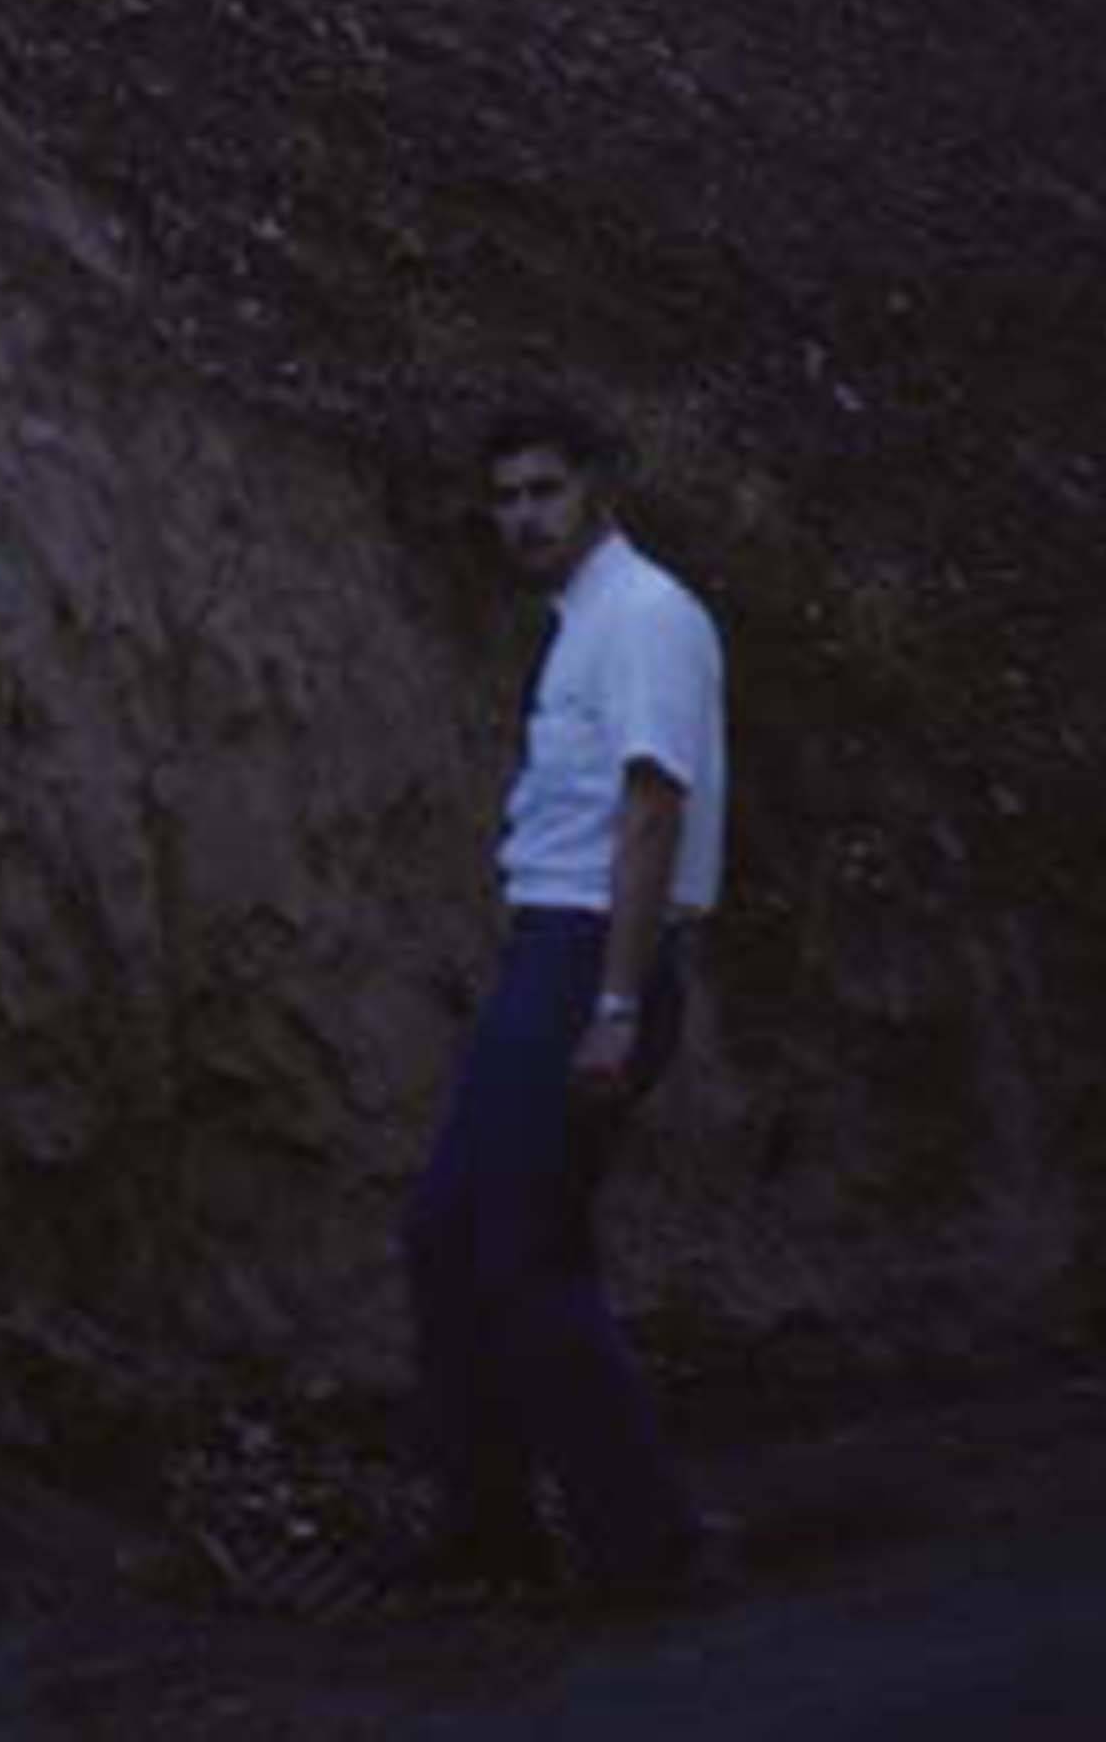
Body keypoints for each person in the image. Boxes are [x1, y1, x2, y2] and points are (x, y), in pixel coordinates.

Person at [386, 396, 732, 1609]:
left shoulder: (643, 617)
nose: (525, 515)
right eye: (509, 496)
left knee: (518, 1247)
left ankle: (642, 1542)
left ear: (596, 488)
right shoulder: (584, 622)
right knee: (454, 1234)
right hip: (556, 945)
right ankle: (494, 1525)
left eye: (546, 489)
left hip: (592, 955)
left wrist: (620, 1001)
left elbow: (652, 808)